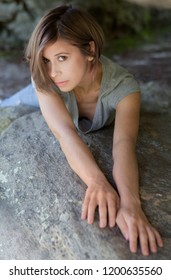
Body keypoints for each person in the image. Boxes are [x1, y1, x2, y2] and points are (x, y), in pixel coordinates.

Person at [1, 5, 163, 256]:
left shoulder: (124, 89)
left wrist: (131, 205)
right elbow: (65, 133)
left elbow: (123, 144)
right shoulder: (45, 79)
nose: (53, 71)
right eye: (46, 60)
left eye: (62, 58)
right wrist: (97, 181)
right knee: (7, 105)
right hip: (34, 97)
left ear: (90, 50)